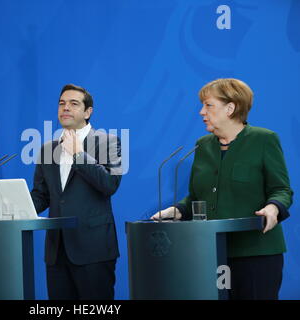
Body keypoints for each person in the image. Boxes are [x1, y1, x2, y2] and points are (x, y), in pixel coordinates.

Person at [151, 78, 293, 300]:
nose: (201, 112)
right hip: (210, 252)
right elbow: (198, 196)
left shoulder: (264, 139)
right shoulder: (203, 145)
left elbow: (282, 189)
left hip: (256, 253)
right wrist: (178, 210)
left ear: (230, 108)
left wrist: (273, 208)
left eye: (208, 105)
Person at [30, 84, 122, 300]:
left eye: (73, 103)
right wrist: (7, 209)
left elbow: (109, 184)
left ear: (88, 112)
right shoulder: (47, 149)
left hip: (93, 249)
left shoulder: (109, 142)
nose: (66, 108)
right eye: (62, 103)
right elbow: (41, 196)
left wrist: (79, 155)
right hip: (57, 251)